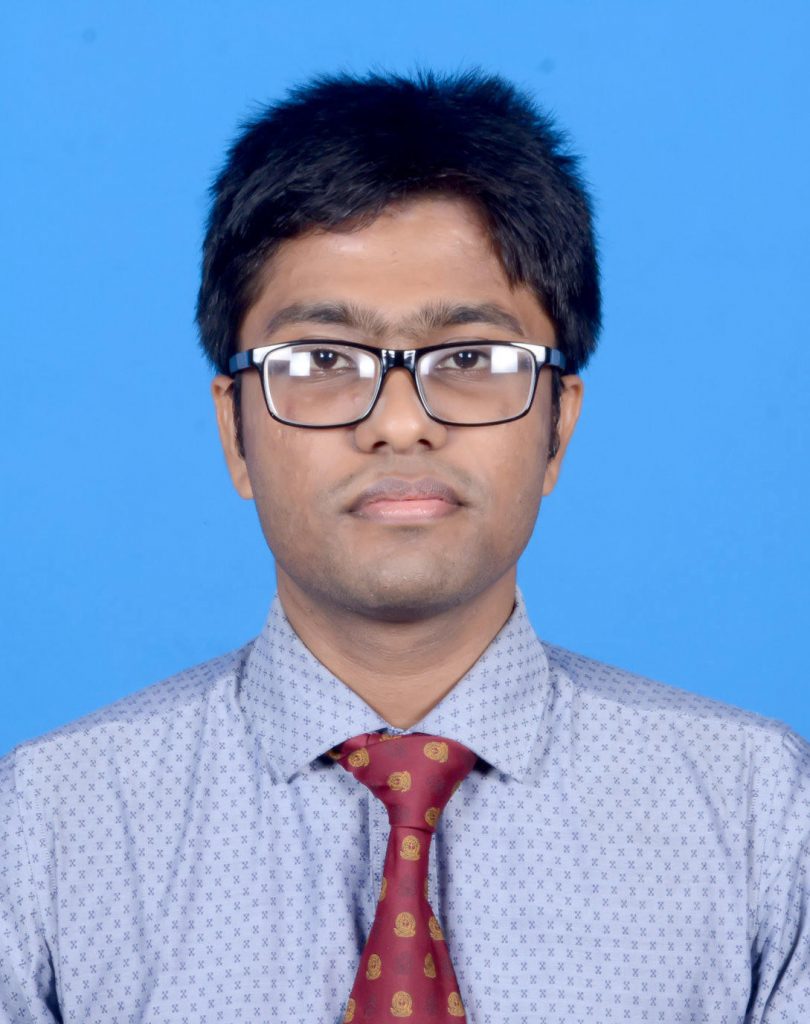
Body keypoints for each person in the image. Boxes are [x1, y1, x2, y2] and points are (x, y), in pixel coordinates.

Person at [1, 68, 808, 1024]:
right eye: (320, 359)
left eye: (470, 358)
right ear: (235, 432)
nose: (398, 424)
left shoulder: (764, 817)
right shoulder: (45, 826)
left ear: (558, 425)